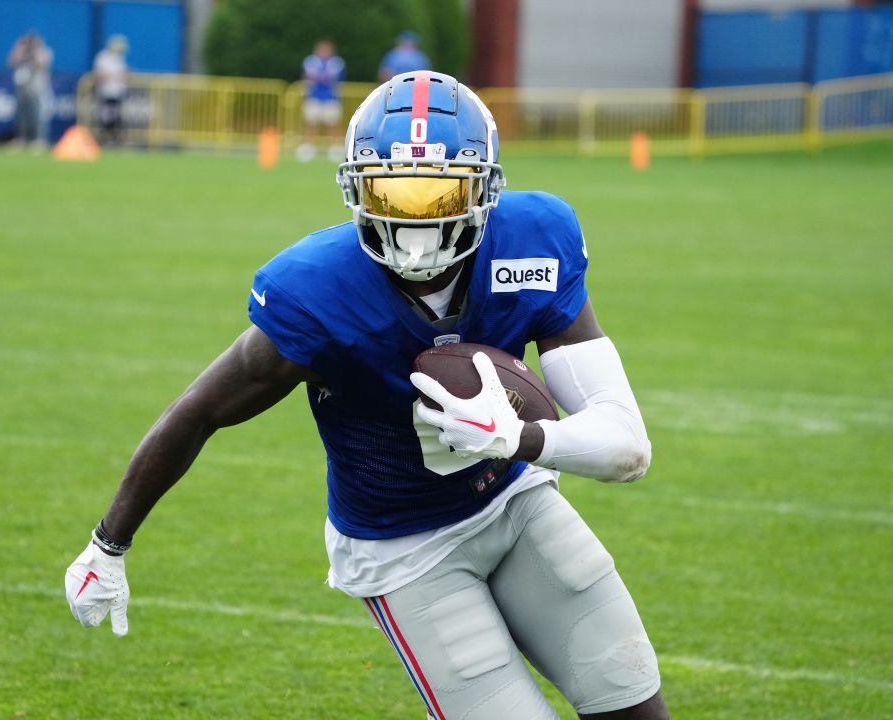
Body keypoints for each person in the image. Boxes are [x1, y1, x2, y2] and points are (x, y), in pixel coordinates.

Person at [64, 71, 670, 720]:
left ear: (487, 191)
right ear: (355, 189)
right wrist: (108, 544)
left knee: (630, 698)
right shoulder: (319, 290)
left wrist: (516, 439)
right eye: (393, 193)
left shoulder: (533, 242)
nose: (413, 221)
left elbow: (627, 446)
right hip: (402, 548)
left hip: (513, 500)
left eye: (437, 197)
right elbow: (200, 411)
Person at [298, 39, 345, 162]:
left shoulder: (336, 62)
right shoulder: (311, 61)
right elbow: (309, 77)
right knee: (310, 123)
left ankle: (335, 148)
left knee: (333, 124)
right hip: (313, 96)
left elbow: (332, 78)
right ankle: (308, 147)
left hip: (331, 97)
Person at [9, 31, 53, 150]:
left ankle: (39, 140)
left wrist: (36, 49)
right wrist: (20, 46)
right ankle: (21, 139)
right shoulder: (22, 52)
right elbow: (12, 62)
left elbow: (41, 63)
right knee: (22, 115)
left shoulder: (45, 51)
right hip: (23, 89)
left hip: (38, 89)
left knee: (38, 115)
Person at [93, 35, 130, 145]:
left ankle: (116, 140)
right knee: (106, 118)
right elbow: (99, 75)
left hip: (118, 92)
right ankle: (105, 139)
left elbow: (123, 74)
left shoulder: (119, 58)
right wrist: (114, 75)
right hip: (106, 93)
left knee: (118, 117)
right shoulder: (102, 57)